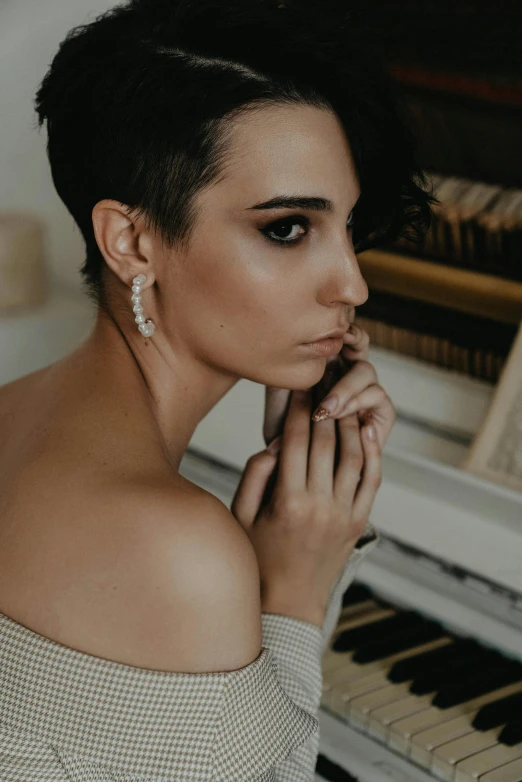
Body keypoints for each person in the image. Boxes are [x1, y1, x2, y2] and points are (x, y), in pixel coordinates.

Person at [0, 0, 435, 779]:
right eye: (288, 228)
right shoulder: (180, 552)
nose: (353, 285)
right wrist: (295, 592)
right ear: (131, 241)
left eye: (349, 226)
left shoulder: (11, 407)